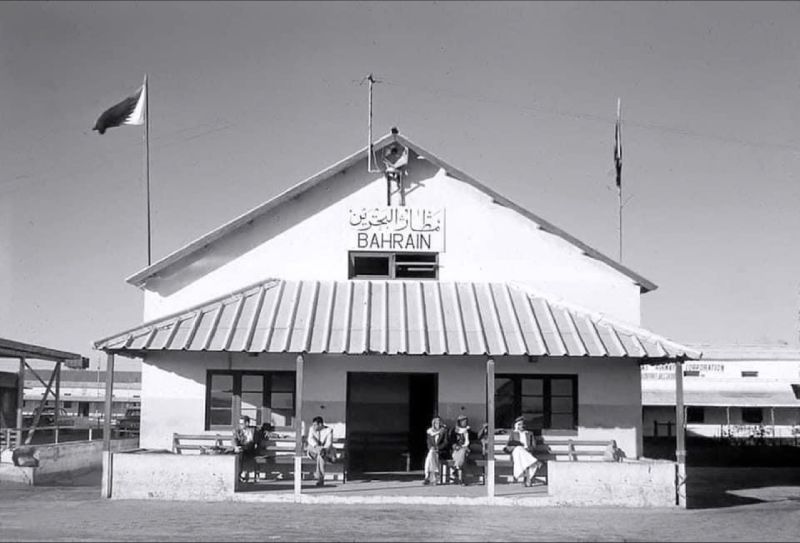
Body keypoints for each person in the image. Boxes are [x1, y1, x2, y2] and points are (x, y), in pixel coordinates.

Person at [504, 416, 542, 487]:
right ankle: (535, 463)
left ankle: (528, 481)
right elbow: (508, 445)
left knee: (525, 460)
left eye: (523, 424)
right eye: (520, 424)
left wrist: (528, 448)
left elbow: (533, 445)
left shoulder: (529, 433)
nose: (522, 426)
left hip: (527, 452)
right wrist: (515, 447)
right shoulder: (513, 433)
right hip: (516, 452)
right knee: (519, 448)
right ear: (517, 425)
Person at [306, 416, 333, 487]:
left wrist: (323, 449)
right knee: (314, 449)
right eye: (313, 424)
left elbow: (329, 443)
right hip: (313, 451)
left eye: (315, 425)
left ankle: (320, 479)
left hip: (323, 451)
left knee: (320, 457)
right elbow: (310, 439)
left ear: (320, 424)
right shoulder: (311, 429)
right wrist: (317, 447)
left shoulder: (329, 430)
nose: (313, 426)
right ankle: (321, 479)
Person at [232, 415, 259, 483]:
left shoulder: (254, 430)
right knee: (239, 454)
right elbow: (234, 439)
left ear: (247, 423)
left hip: (251, 451)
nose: (240, 425)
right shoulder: (237, 431)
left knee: (245, 448)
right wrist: (235, 447)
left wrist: (278, 435)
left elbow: (265, 433)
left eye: (242, 423)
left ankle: (240, 475)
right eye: (239, 423)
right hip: (242, 450)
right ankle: (240, 475)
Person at [423, 415, 448, 485]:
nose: (438, 424)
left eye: (439, 422)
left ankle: (427, 476)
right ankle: (435, 475)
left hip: (441, 451)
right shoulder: (430, 432)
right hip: (433, 451)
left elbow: (446, 442)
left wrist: (438, 448)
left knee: (429, 457)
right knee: (431, 454)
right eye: (436, 422)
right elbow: (428, 442)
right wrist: (431, 448)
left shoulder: (444, 431)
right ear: (433, 423)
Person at [449, 415, 471, 485]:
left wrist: (483, 429)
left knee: (463, 451)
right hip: (457, 450)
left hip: (466, 450)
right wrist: (455, 446)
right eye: (463, 421)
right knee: (461, 459)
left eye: (465, 421)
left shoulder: (468, 430)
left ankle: (455, 470)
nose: (464, 422)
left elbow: (476, 436)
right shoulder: (454, 430)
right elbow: (452, 441)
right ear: (459, 422)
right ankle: (461, 480)